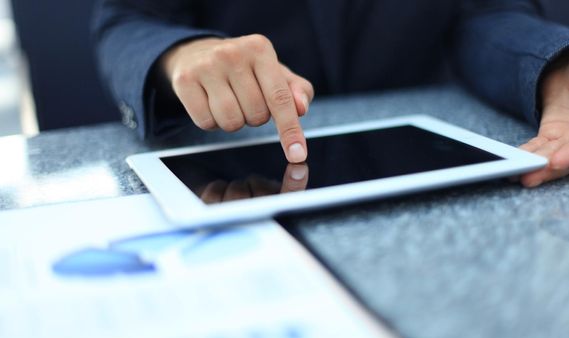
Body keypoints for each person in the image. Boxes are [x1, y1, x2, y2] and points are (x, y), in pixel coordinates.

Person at [93, 0, 569, 188]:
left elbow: (483, 13)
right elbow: (127, 21)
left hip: (415, 168)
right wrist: (180, 54)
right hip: (235, 184)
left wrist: (554, 66)